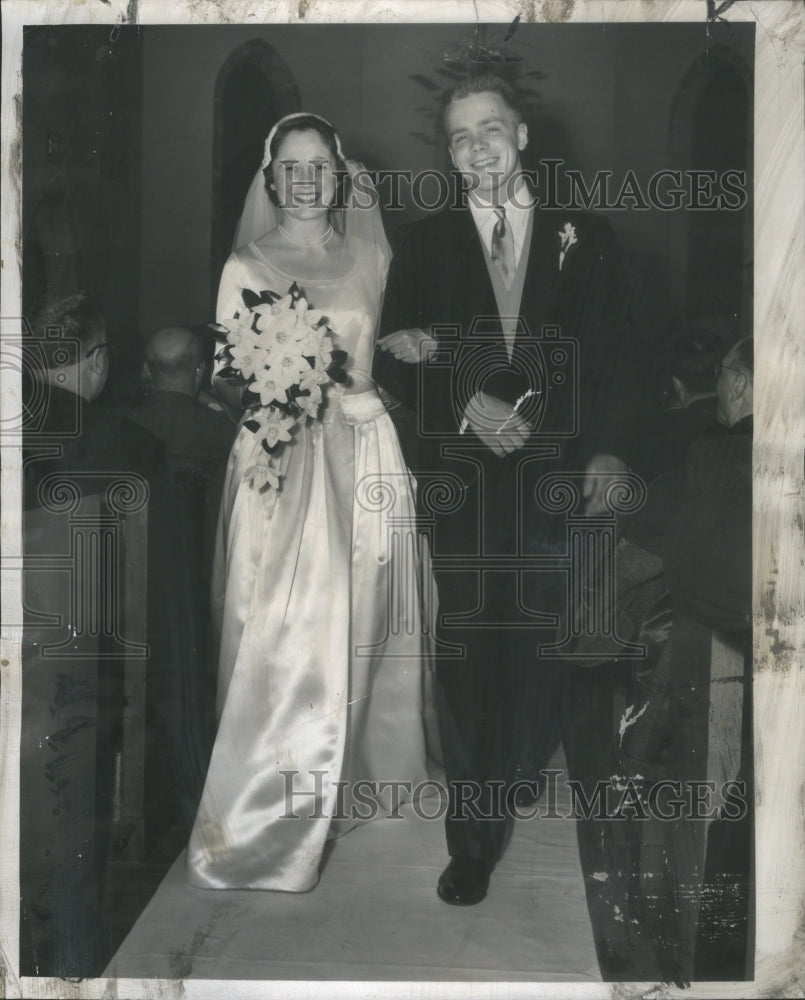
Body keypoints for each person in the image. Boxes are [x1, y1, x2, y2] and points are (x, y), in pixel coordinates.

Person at [374, 76, 641, 906]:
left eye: (490, 129)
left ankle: (518, 759)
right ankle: (474, 836)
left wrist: (611, 453)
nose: (476, 147)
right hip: (463, 490)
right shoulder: (420, 246)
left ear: (522, 136)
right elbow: (391, 358)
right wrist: (458, 400)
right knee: (470, 655)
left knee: (544, 648)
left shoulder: (587, 238)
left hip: (560, 482)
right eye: (459, 137)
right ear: (448, 153)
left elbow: (622, 359)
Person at [185, 113, 435, 892]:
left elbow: (388, 353)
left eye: (317, 165)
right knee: (287, 625)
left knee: (366, 610)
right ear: (270, 179)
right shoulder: (244, 262)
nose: (304, 180)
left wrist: (404, 361)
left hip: (363, 447)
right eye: (289, 168)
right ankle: (272, 805)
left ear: (340, 173)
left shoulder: (373, 256)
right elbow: (223, 374)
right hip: (280, 457)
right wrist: (277, 387)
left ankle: (359, 773)